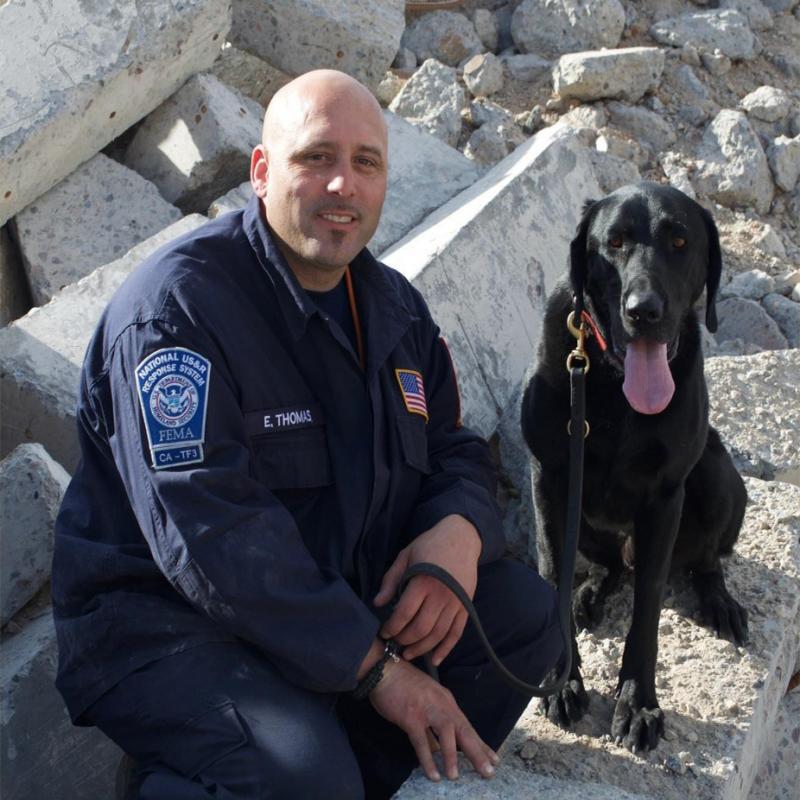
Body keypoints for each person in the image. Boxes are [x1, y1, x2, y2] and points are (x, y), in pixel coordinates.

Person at [52, 69, 562, 800]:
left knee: (523, 619)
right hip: (173, 629)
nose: (342, 184)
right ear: (262, 171)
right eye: (316, 157)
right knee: (306, 777)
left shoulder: (393, 308)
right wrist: (377, 671)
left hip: (333, 600)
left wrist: (458, 532)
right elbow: (212, 536)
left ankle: (338, 766)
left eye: (365, 162)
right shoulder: (177, 313)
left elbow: (453, 448)